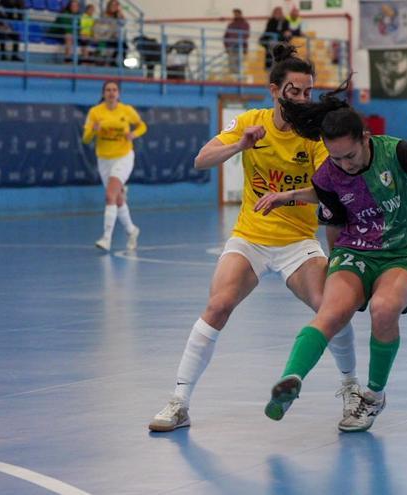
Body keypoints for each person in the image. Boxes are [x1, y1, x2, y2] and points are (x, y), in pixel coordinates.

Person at [148, 44, 359, 433]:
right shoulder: (250, 122)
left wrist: (287, 196)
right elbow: (201, 160)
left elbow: (327, 190)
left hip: (297, 241)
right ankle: (179, 402)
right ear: (275, 90)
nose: (300, 98)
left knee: (330, 306)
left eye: (307, 91)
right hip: (250, 238)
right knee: (218, 305)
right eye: (293, 90)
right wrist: (240, 145)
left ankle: (351, 390)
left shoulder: (313, 138)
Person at [254, 79, 407, 433]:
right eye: (335, 157)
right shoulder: (328, 175)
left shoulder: (396, 151)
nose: (345, 165)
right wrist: (337, 258)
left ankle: (373, 396)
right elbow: (330, 207)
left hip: (400, 253)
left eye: (350, 156)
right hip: (355, 251)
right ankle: (290, 381)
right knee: (331, 312)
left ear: (365, 138)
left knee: (384, 308)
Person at [82, 81, 146, 252]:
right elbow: (86, 139)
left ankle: (106, 238)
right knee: (117, 199)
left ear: (119, 93)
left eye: (114, 90)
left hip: (123, 157)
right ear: (103, 93)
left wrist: (133, 133)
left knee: (109, 195)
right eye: (108, 90)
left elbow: (142, 126)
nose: (111, 93)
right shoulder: (95, 112)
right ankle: (132, 230)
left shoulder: (126, 110)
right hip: (104, 159)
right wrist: (93, 130)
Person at [223, 8, 250, 74]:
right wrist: (226, 46)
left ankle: (238, 79)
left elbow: (246, 35)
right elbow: (226, 36)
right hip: (231, 47)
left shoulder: (245, 24)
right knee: (232, 64)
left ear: (240, 14)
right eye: (234, 14)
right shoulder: (231, 24)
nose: (236, 15)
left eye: (237, 14)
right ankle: (234, 79)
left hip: (240, 47)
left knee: (239, 64)